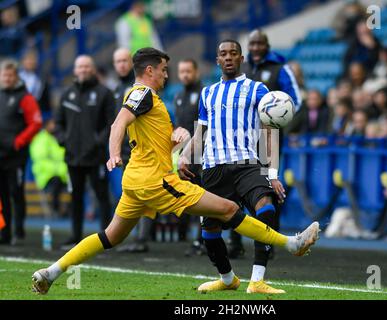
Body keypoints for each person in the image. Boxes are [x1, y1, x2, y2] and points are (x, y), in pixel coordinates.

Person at [31, 47, 320, 295]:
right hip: (157, 182)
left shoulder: (149, 99)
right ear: (149, 70)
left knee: (110, 237)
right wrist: (113, 153)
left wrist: (174, 137)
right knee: (229, 208)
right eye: (163, 69)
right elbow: (118, 124)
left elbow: (152, 141)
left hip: (136, 182)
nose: (166, 75)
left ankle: (51, 272)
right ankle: (290, 243)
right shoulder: (142, 93)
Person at [178, 40, 292, 294]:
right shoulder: (208, 94)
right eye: (222, 54)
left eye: (233, 53)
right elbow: (199, 135)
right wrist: (184, 157)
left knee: (266, 207)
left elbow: (268, 133)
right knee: (210, 231)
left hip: (247, 163)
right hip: (214, 167)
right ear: (217, 60)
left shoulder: (258, 90)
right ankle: (227, 279)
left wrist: (271, 174)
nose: (228, 57)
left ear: (241, 59)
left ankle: (258, 280)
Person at [233, 29, 302, 258]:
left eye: (259, 43)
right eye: (251, 44)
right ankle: (236, 242)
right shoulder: (242, 69)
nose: (255, 48)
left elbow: (295, 101)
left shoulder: (279, 70)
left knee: (268, 183)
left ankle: (269, 241)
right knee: (236, 184)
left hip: (267, 137)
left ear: (267, 45)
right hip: (242, 137)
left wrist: (277, 118)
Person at [54, 55, 115, 248]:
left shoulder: (104, 93)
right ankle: (75, 235)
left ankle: (107, 238)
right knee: (75, 197)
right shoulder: (66, 94)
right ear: (74, 70)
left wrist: (97, 142)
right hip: (72, 157)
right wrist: (64, 140)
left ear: (93, 69)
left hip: (96, 157)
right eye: (79, 67)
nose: (83, 70)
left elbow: (111, 124)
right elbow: (58, 123)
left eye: (86, 66)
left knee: (102, 196)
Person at [111, 48, 151, 254]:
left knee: (142, 193)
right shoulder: (116, 89)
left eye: (125, 61)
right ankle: (133, 236)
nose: (122, 65)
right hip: (125, 153)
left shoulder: (140, 88)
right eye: (118, 61)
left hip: (141, 151)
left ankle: (142, 237)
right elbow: (114, 122)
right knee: (131, 194)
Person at [0, 59, 42, 244]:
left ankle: (19, 231)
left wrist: (19, 141)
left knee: (16, 192)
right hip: (0, 155)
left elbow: (36, 123)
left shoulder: (25, 97)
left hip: (16, 156)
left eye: (10, 75)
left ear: (16, 76)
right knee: (2, 196)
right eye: (4, 75)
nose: (7, 78)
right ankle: (5, 232)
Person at [173, 58, 204, 252]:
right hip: (183, 154)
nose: (185, 75)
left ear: (196, 72)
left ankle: (202, 239)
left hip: (200, 154)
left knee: (202, 197)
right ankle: (185, 235)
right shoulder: (177, 96)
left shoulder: (203, 94)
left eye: (188, 71)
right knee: (186, 195)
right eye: (182, 71)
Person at [29, 117, 68, 217]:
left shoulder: (56, 138)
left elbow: (62, 154)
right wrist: (56, 167)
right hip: (45, 175)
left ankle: (67, 210)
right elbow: (40, 157)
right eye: (52, 124)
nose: (54, 126)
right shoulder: (40, 139)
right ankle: (56, 209)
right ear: (46, 126)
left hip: (61, 173)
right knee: (56, 182)